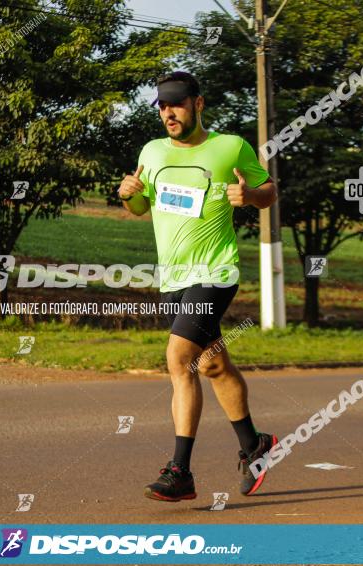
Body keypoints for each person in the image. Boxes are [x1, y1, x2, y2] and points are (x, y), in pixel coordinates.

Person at [116, 71, 279, 501]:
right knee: (211, 364)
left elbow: (268, 190)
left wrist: (252, 198)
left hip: (214, 273)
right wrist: (129, 192)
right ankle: (254, 445)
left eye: (177, 104)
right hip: (172, 278)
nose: (168, 113)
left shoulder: (230, 147)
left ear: (198, 104)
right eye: (162, 106)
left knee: (179, 358)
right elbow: (140, 208)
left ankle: (180, 472)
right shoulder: (151, 152)